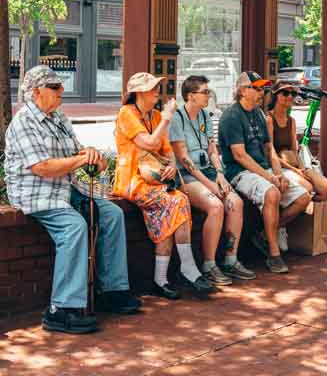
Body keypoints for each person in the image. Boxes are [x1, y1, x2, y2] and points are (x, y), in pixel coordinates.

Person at [5, 65, 140, 335]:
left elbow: (79, 152)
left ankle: (112, 290)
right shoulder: (23, 123)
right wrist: (80, 159)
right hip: (37, 192)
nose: (61, 91)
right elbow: (42, 168)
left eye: (60, 86)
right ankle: (61, 309)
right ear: (36, 92)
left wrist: (93, 156)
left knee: (112, 214)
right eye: (54, 88)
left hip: (66, 188)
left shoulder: (59, 118)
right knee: (74, 227)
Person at [113, 72, 215, 299]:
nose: (157, 92)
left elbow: (167, 152)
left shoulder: (156, 116)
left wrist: (170, 167)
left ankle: (160, 280)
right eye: (153, 88)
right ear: (139, 93)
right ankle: (187, 267)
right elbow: (148, 142)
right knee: (178, 200)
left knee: (169, 217)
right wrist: (168, 118)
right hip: (132, 181)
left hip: (156, 181)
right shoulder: (126, 113)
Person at [218, 71, 311, 274]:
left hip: (264, 169)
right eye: (257, 88)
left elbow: (269, 149)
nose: (262, 92)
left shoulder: (259, 114)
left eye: (262, 88)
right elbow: (240, 156)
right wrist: (270, 178)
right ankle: (273, 254)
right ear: (243, 91)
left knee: (303, 197)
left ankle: (264, 233)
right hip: (240, 173)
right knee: (272, 193)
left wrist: (278, 174)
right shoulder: (231, 116)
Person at [168, 75, 256, 285]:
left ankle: (230, 259)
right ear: (191, 96)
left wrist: (218, 173)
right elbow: (183, 158)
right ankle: (208, 265)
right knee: (216, 206)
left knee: (236, 203)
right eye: (205, 92)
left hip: (208, 171)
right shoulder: (176, 118)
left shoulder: (205, 116)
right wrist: (210, 185)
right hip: (187, 175)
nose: (209, 95)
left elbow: (212, 149)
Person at [266, 79, 327, 213]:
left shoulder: (292, 121)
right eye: (285, 93)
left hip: (295, 164)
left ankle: (304, 216)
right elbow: (270, 152)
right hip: (279, 166)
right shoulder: (268, 119)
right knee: (307, 187)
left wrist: (302, 168)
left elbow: (294, 150)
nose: (290, 97)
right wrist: (295, 170)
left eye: (293, 94)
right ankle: (280, 224)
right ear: (276, 96)